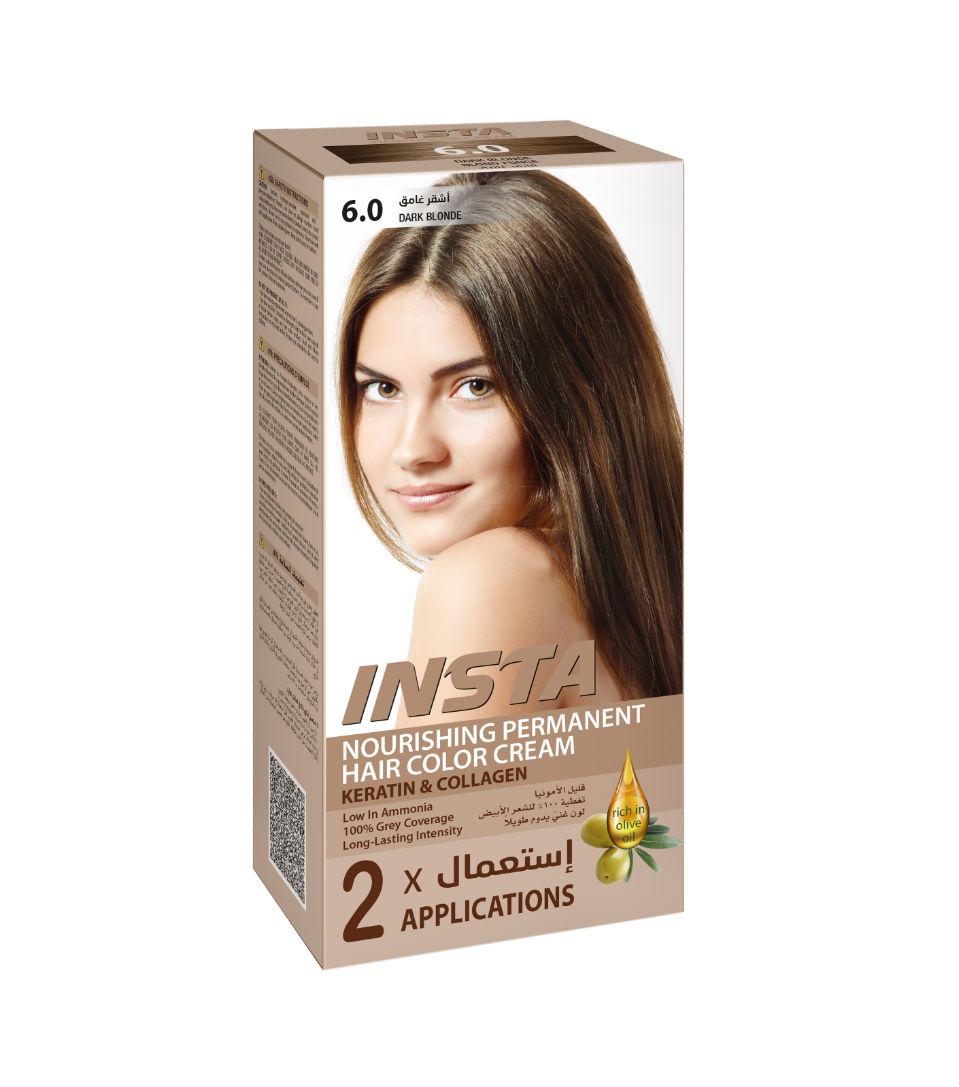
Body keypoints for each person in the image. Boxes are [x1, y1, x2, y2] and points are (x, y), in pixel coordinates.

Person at [337, 170, 682, 724]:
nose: (412, 449)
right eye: (382, 389)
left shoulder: (488, 580)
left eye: (475, 386)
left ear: (578, 393)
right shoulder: (635, 594)